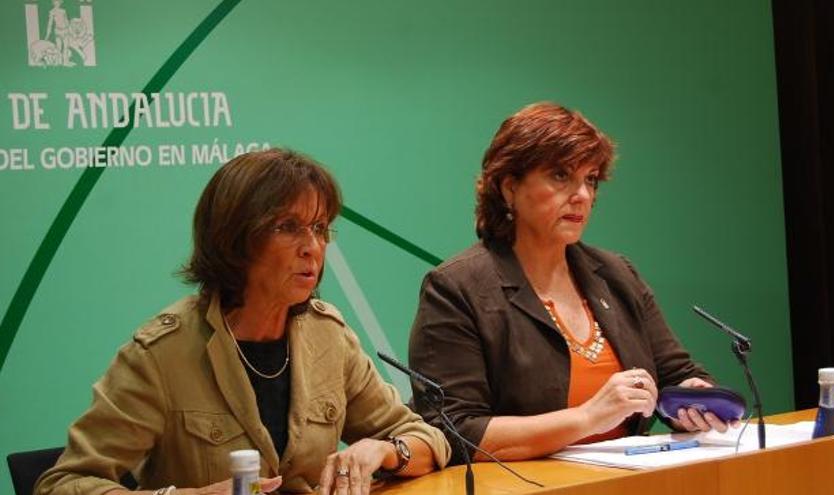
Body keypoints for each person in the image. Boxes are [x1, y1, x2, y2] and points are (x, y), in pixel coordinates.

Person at [36, 149, 449, 495]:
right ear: (236, 238)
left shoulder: (329, 336)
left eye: (320, 228)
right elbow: (63, 483)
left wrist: (383, 451)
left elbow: (428, 438)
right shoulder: (162, 353)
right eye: (289, 227)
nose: (313, 247)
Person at [408, 102, 732, 464]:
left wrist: (692, 398)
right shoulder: (457, 287)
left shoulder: (615, 273)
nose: (582, 195)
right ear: (509, 187)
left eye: (590, 179)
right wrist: (588, 418)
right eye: (560, 176)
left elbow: (677, 373)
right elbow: (453, 430)